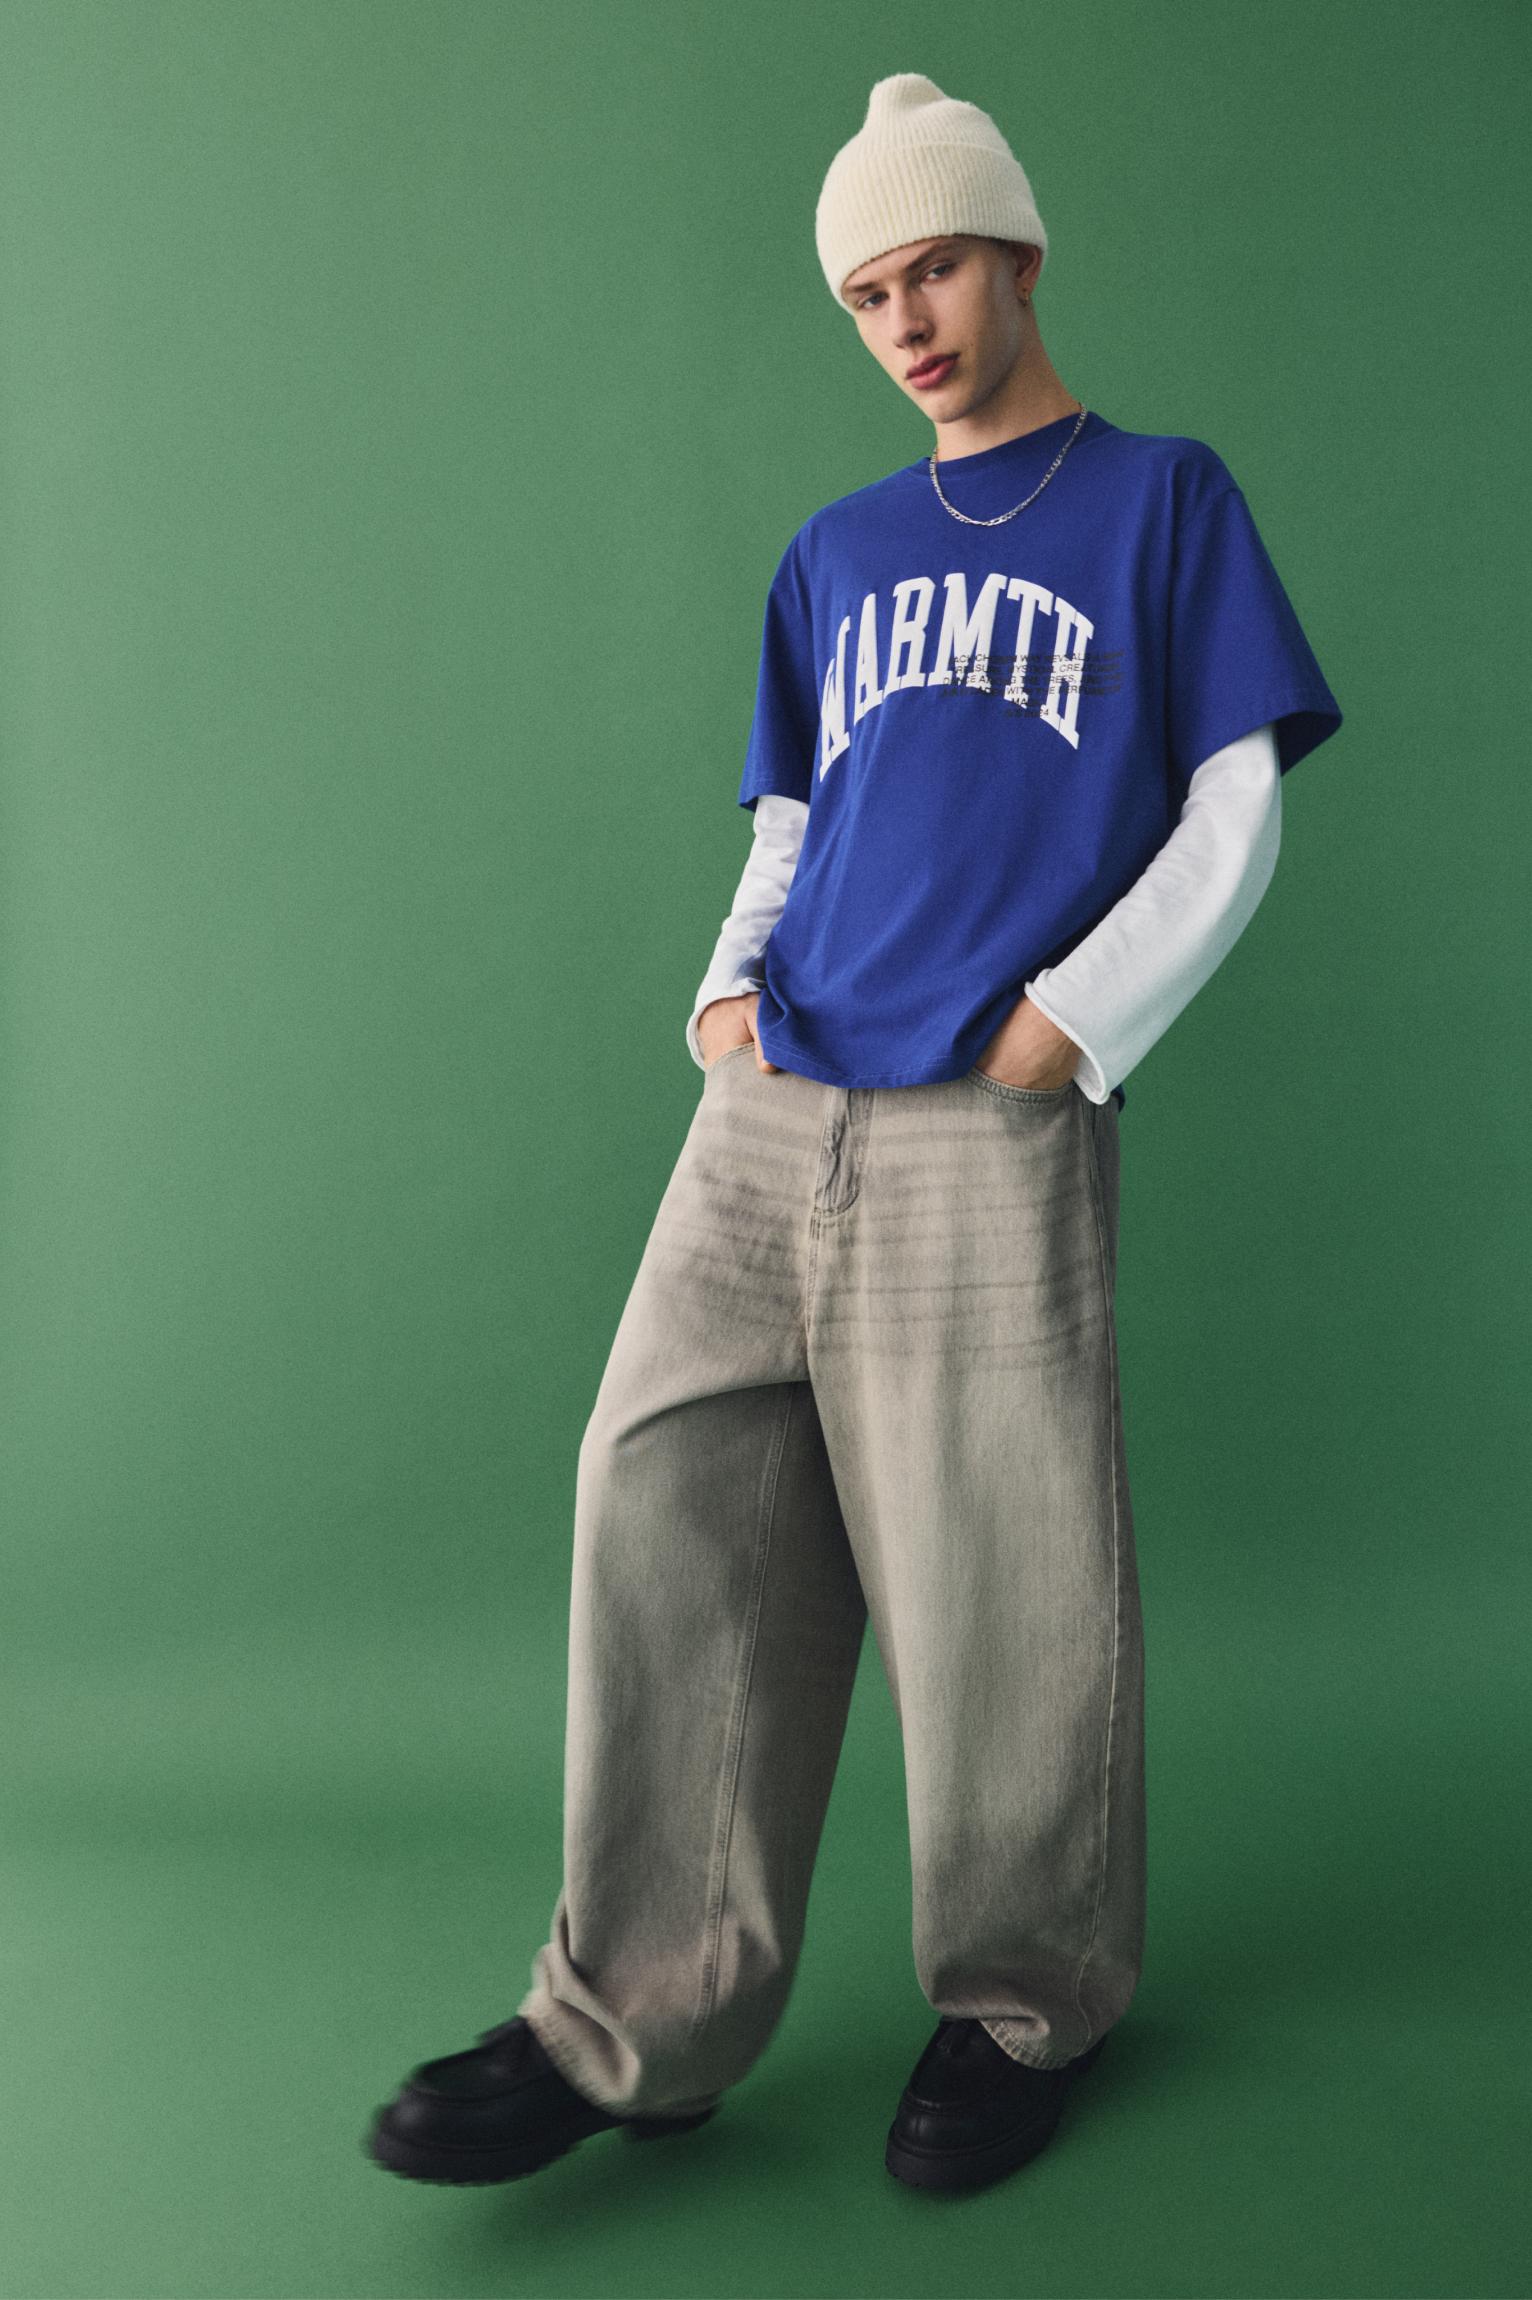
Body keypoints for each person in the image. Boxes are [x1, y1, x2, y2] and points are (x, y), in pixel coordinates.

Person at [366, 71, 1343, 2197]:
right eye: (867, 292)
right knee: (661, 1495)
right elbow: (796, 820)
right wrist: (722, 998)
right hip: (776, 1096)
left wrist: (1073, 1024)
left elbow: (1234, 801)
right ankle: (634, 2025)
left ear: (1018, 256)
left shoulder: (1160, 502)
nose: (904, 319)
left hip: (989, 1109)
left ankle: (1022, 2002)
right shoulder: (836, 551)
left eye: (933, 270)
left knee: (1001, 1569)